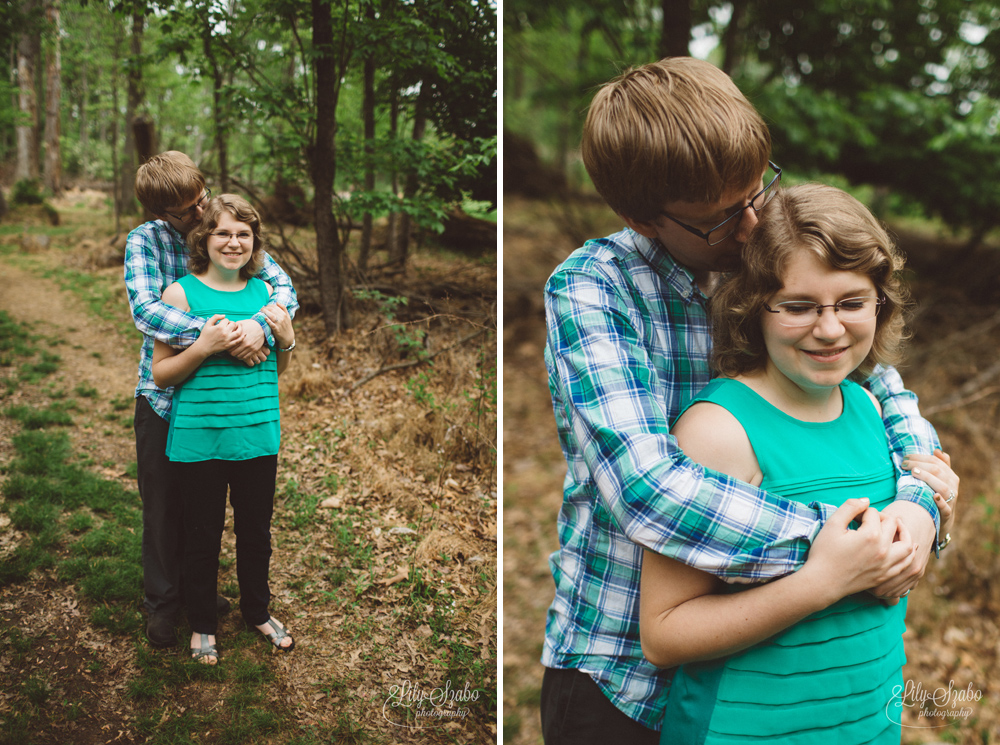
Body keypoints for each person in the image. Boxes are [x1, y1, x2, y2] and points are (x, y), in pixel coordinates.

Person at [540, 57, 959, 743]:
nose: (751, 225)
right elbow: (652, 489)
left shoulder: (751, 246)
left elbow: (873, 378)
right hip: (622, 682)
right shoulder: (594, 290)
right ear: (641, 218)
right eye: (721, 217)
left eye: (756, 192)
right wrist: (848, 546)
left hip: (767, 680)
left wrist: (917, 488)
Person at [639, 183, 958, 743]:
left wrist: (930, 521)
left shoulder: (871, 408)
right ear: (752, 307)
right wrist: (820, 582)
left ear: (879, 304)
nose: (830, 328)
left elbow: (891, 562)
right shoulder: (719, 429)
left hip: (867, 724)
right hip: (744, 730)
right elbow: (664, 634)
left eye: (852, 302)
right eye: (798, 306)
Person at [124, 152, 299, 648]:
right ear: (166, 214)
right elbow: (147, 310)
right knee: (163, 505)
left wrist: (256, 326)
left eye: (202, 198)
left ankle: (204, 592)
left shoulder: (226, 229)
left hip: (230, 402)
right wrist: (217, 333)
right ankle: (164, 602)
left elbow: (282, 288)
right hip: (165, 394)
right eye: (189, 209)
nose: (201, 212)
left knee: (210, 509)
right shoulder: (147, 242)